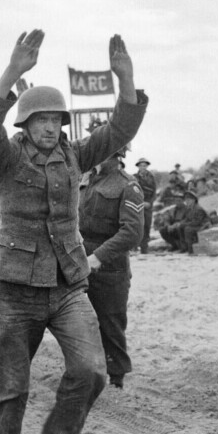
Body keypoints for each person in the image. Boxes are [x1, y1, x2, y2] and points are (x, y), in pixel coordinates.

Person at [0, 29, 148, 434]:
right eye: (41, 119)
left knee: (91, 371)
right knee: (11, 386)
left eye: (56, 120)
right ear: (25, 124)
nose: (50, 127)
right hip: (14, 287)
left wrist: (125, 80)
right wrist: (12, 71)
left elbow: (120, 130)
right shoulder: (5, 156)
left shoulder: (75, 154)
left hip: (67, 284)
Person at [32, 149, 143, 388]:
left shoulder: (127, 185)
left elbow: (132, 232)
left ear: (116, 153)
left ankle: (116, 378)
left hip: (110, 266)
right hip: (77, 262)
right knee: (78, 321)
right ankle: (85, 372)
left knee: (110, 322)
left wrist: (98, 257)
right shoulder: (84, 180)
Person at [133, 157, 156, 253]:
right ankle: (134, 247)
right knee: (136, 226)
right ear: (138, 166)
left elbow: (154, 192)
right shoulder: (134, 177)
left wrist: (150, 203)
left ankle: (144, 248)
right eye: (141, 165)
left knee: (147, 226)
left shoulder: (151, 177)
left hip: (148, 205)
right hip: (137, 205)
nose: (143, 167)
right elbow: (132, 191)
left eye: (144, 165)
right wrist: (140, 202)